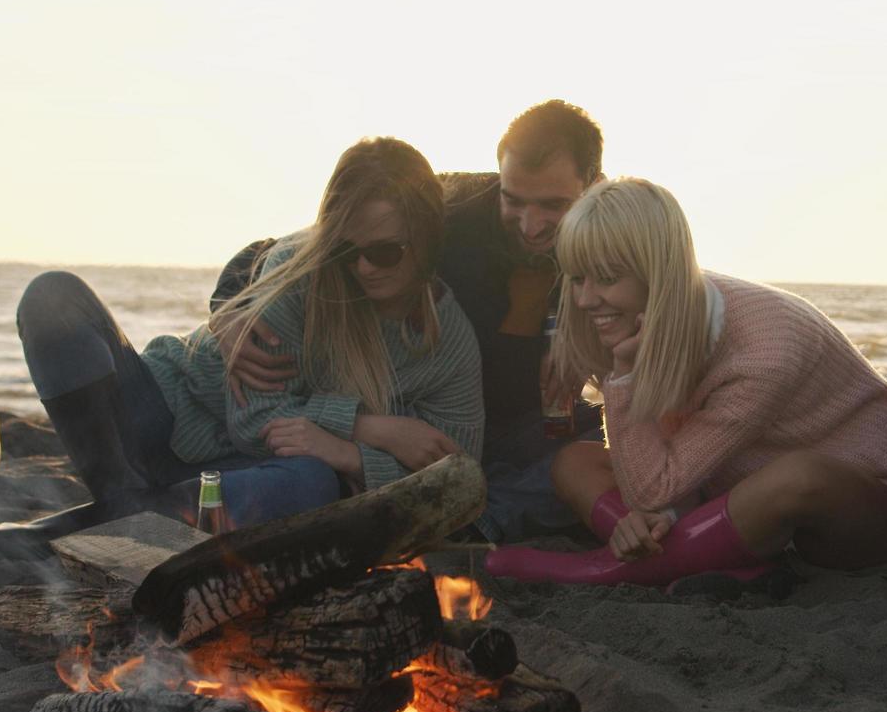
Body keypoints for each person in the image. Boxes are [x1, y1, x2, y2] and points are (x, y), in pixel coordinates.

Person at [0, 137, 482, 566]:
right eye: (346, 250)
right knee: (51, 297)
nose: (363, 268)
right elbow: (257, 421)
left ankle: (88, 525)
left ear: (426, 241)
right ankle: (121, 504)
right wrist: (370, 428)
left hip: (241, 480)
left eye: (385, 252)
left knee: (312, 484)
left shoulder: (448, 343)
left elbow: (458, 477)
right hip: (157, 416)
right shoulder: (300, 269)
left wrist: (342, 452)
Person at [483, 178, 887, 588]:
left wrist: (623, 377)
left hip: (870, 508)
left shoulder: (765, 348)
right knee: (573, 463)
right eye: (577, 278)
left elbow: (653, 488)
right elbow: (655, 477)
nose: (584, 299)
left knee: (800, 476)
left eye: (605, 278)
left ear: (656, 272)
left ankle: (606, 568)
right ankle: (703, 557)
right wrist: (639, 520)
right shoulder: (624, 321)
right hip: (727, 486)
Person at [215, 101, 608, 543]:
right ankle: (472, 519)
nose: (531, 224)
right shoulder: (452, 205)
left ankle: (477, 520)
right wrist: (229, 306)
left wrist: (587, 343)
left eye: (553, 205)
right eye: (513, 200)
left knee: (605, 446)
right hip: (427, 414)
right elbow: (301, 246)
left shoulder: (615, 232)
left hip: (524, 424)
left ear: (593, 186)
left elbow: (659, 320)